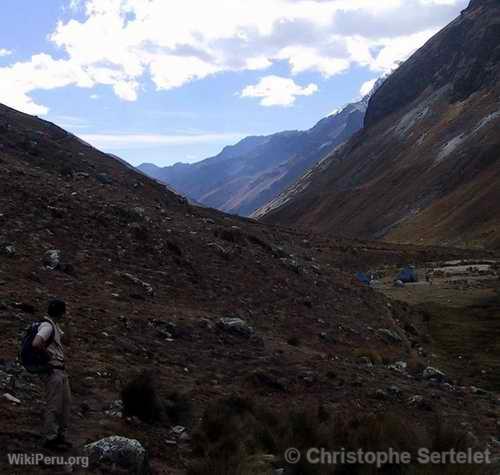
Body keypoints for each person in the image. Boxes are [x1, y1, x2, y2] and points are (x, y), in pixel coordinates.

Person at [32, 299, 72, 450]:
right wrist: (48, 356)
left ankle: (59, 436)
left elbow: (67, 340)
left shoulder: (54, 326)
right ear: (61, 312)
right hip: (53, 371)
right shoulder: (47, 326)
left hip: (60, 370)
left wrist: (67, 324)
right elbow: (36, 343)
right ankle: (50, 439)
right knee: (54, 405)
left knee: (65, 403)